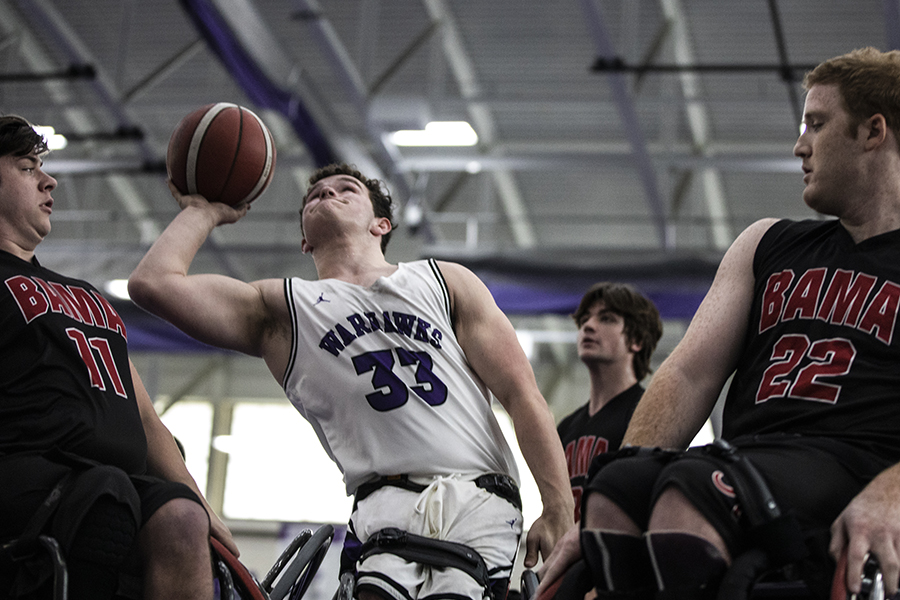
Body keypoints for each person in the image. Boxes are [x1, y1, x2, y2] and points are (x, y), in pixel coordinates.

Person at [537, 46, 900, 600]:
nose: (799, 146)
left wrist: (892, 492)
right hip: (750, 459)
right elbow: (687, 376)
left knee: (692, 488)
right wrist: (618, 493)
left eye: (817, 125)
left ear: (872, 132)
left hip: (852, 460)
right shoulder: (765, 243)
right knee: (616, 486)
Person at [127, 163, 574, 600]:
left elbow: (522, 394)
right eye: (314, 195)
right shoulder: (282, 308)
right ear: (304, 240)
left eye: (346, 189)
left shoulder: (443, 281)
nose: (326, 193)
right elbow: (153, 283)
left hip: (478, 495)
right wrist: (203, 210)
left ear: (382, 223)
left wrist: (557, 505)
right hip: (383, 500)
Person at [0, 114, 237, 600]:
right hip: (24, 474)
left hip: (107, 486)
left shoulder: (89, 297)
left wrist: (203, 504)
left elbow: (147, 418)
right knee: (107, 497)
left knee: (180, 517)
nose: (49, 180)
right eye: (26, 168)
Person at [556, 282, 662, 522]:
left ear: (636, 340)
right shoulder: (565, 428)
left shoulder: (648, 412)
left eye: (606, 319)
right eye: (584, 320)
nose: (588, 327)